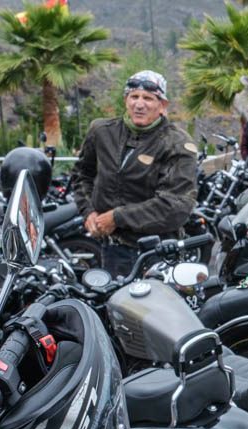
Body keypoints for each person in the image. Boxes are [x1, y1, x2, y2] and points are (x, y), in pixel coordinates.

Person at [71, 71, 198, 277]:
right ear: (126, 100)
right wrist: (89, 213)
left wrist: (117, 217)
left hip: (158, 253)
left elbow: (177, 205)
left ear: (162, 105)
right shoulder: (101, 131)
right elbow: (82, 175)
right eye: (134, 97)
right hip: (113, 250)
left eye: (148, 98)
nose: (140, 104)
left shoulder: (177, 143)